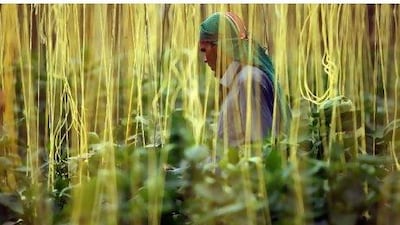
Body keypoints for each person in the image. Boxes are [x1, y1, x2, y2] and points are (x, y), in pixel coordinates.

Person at [199, 12, 291, 147]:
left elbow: (260, 149)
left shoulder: (248, 81)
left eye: (204, 50)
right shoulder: (241, 81)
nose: (205, 60)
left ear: (220, 48)